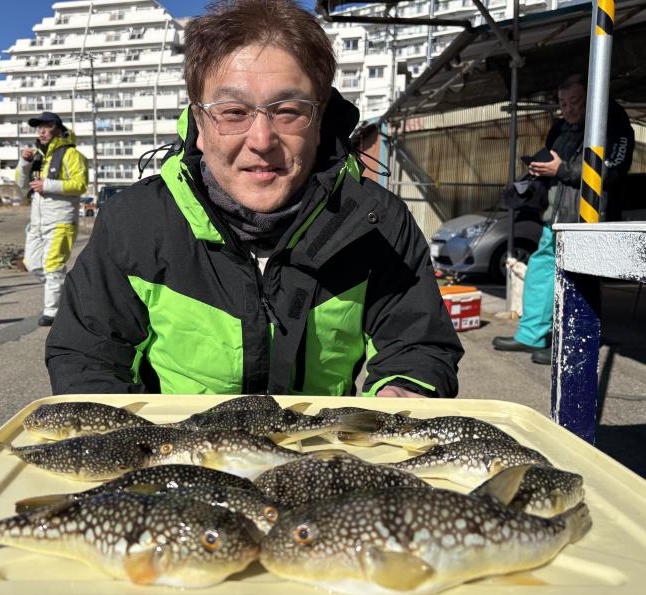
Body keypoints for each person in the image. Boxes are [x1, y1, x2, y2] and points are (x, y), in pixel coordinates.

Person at [45, 0, 463, 396]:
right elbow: (88, 358)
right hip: (184, 455)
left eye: (289, 111)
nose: (262, 140)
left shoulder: (380, 222)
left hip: (317, 452)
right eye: (232, 112)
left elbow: (418, 345)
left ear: (320, 121)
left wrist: (405, 390)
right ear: (199, 123)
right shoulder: (134, 222)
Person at [493, 74, 634, 364]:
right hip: (555, 216)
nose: (568, 109)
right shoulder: (560, 129)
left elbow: (611, 172)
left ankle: (573, 345)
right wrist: (537, 173)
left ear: (594, 100)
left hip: (588, 220)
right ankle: (531, 334)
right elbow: (557, 167)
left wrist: (560, 170)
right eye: (563, 103)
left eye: (576, 102)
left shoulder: (614, 127)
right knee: (540, 271)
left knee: (578, 281)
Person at [16, 111, 88, 326]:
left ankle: (53, 311)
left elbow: (80, 184)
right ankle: (69, 295)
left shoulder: (71, 154)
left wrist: (47, 185)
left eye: (47, 125)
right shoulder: (37, 156)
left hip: (61, 219)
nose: (42, 130)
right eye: (39, 127)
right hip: (37, 222)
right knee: (32, 264)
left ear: (58, 128)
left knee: (53, 266)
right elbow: (20, 186)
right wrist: (23, 163)